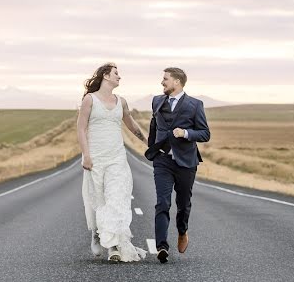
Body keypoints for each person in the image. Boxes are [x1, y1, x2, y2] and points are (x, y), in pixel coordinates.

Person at [78, 62, 148, 263]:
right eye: (116, 73)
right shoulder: (89, 100)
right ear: (105, 76)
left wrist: (147, 142)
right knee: (99, 200)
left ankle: (114, 247)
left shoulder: (121, 102)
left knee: (116, 200)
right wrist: (87, 155)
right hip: (96, 158)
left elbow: (131, 124)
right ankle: (97, 233)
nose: (120, 77)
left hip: (117, 157)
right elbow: (81, 129)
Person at [144, 67, 210, 263]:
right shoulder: (157, 101)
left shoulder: (195, 105)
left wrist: (186, 133)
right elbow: (154, 126)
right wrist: (153, 148)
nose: (162, 82)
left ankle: (182, 231)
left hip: (186, 162)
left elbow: (205, 134)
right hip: (162, 161)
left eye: (165, 79)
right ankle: (162, 246)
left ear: (177, 82)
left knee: (183, 204)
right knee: (162, 202)